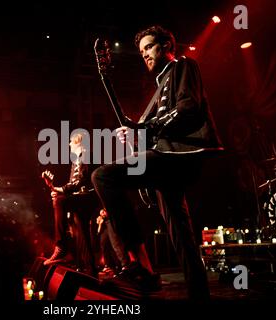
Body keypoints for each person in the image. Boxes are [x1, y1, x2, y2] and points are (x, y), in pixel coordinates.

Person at [92, 25, 223, 299]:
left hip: (181, 155)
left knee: (103, 176)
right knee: (181, 234)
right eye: (141, 52)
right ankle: (199, 295)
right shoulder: (160, 84)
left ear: (166, 46)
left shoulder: (183, 66)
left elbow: (188, 109)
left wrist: (143, 129)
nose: (145, 55)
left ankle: (136, 260)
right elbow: (153, 129)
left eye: (149, 47)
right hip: (167, 158)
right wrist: (135, 133)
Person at [43, 133, 97, 275]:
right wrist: (56, 189)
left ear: (79, 143)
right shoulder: (76, 161)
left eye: (71, 142)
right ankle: (92, 271)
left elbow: (80, 181)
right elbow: (72, 185)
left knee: (59, 201)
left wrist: (59, 191)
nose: (69, 145)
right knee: (82, 233)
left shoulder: (86, 156)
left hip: (87, 198)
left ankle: (61, 247)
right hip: (80, 198)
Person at [96, 208, 130, 278]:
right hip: (105, 221)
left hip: (110, 218)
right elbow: (98, 232)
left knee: (116, 244)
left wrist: (104, 210)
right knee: (105, 244)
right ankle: (113, 267)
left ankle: (125, 266)